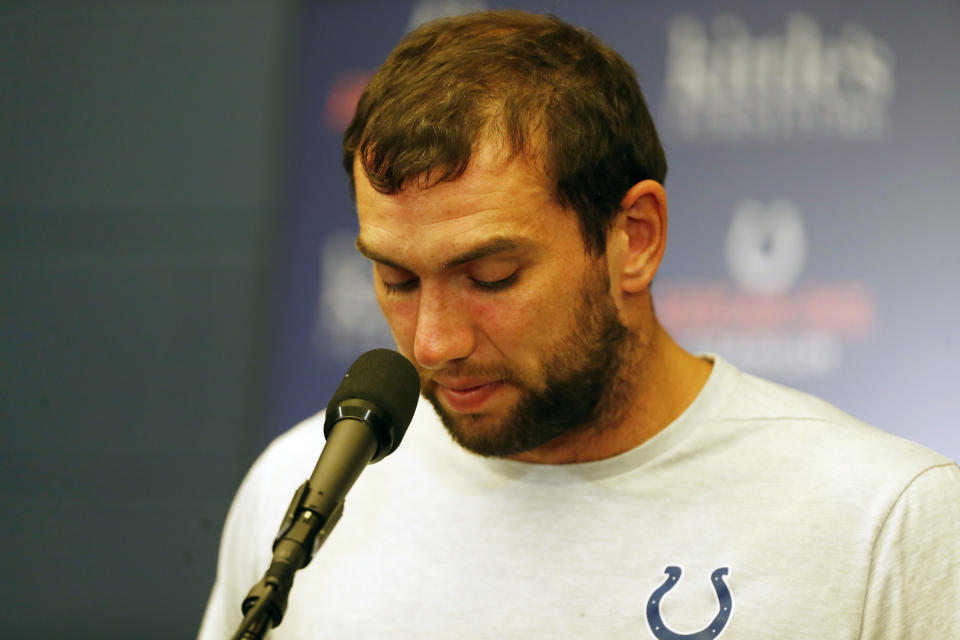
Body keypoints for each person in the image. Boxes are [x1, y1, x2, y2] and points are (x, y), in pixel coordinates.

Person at [199, 11, 960, 639]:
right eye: (397, 278)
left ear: (634, 237)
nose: (432, 344)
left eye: (490, 277)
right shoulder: (297, 494)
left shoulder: (886, 523)